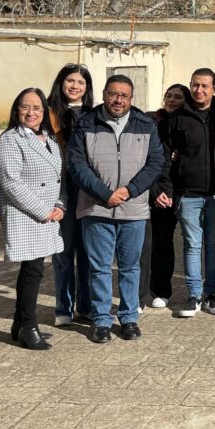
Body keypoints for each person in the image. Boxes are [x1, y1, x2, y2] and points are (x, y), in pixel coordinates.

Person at [66, 74, 164, 343]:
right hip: (96, 208)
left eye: (124, 95)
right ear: (104, 95)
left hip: (134, 209)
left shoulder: (146, 125)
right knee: (99, 268)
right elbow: (76, 163)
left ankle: (129, 317)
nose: (118, 100)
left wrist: (130, 190)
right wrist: (104, 193)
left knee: (130, 266)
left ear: (131, 98)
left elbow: (156, 162)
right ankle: (101, 320)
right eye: (113, 94)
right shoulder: (86, 124)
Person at [0, 87, 66, 351]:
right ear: (17, 110)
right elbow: (11, 182)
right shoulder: (10, 139)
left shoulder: (50, 139)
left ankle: (20, 324)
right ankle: (28, 326)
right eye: (25, 107)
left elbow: (61, 178)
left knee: (32, 269)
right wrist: (43, 210)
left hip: (48, 213)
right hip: (25, 213)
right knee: (33, 270)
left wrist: (60, 206)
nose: (31, 112)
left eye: (37, 108)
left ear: (44, 111)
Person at [158, 68, 215, 318]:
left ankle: (211, 294)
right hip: (187, 194)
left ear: (214, 88)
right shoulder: (177, 118)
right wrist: (166, 188)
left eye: (205, 86)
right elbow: (164, 157)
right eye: (195, 85)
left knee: (214, 244)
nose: (199, 90)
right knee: (192, 245)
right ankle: (194, 295)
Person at [46, 62, 94, 327]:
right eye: (70, 81)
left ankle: (85, 306)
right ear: (61, 83)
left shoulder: (93, 114)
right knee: (63, 252)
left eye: (81, 82)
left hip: (86, 189)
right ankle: (63, 307)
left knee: (87, 252)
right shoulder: (49, 114)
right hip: (60, 189)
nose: (75, 86)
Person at [140, 83, 190, 309]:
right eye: (168, 95)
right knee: (154, 243)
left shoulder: (188, 123)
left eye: (177, 97)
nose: (171, 100)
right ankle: (152, 290)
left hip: (182, 190)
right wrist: (156, 191)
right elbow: (145, 160)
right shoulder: (151, 121)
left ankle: (165, 289)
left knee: (173, 243)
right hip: (156, 190)